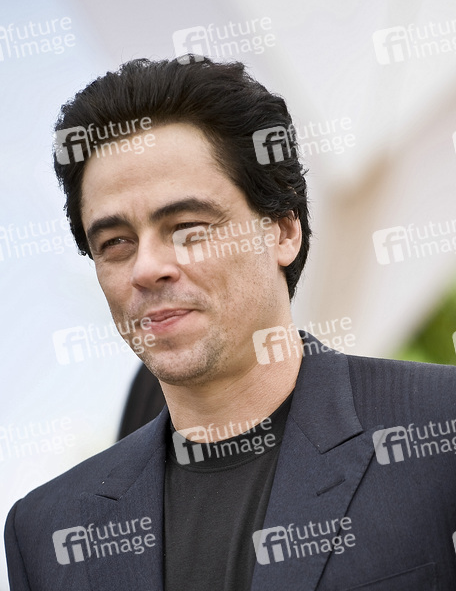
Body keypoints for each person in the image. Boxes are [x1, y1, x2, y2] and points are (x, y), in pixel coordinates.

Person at [4, 56, 456, 591]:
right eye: (115, 242)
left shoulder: (439, 426)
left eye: (188, 227)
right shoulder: (49, 531)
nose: (147, 268)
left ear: (283, 231)